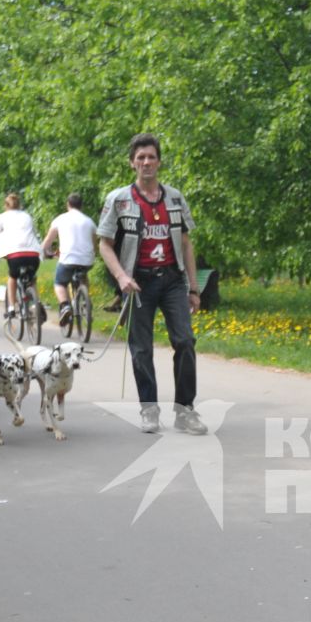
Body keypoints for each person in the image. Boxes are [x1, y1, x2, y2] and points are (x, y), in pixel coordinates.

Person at [96, 135, 207, 435]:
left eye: (151, 157)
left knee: (185, 341)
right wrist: (121, 276)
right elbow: (105, 245)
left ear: (159, 161)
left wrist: (193, 288)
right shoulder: (118, 200)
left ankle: (185, 412)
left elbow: (185, 243)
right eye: (140, 157)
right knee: (141, 349)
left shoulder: (174, 198)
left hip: (172, 280)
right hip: (137, 282)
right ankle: (149, 408)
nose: (146, 162)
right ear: (132, 162)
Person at [42, 192, 98, 328]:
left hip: (68, 259)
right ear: (81, 206)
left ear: (68, 204)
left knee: (60, 283)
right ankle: (85, 303)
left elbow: (46, 243)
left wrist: (45, 252)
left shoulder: (60, 219)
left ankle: (65, 306)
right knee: (83, 275)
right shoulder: (89, 221)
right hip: (87, 260)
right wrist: (93, 254)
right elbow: (95, 243)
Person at [0, 192, 44, 323]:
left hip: (15, 256)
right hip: (33, 255)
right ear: (19, 205)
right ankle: (36, 304)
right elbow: (36, 234)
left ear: (6, 205)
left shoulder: (2, 217)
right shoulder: (27, 216)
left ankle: (11, 307)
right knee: (32, 278)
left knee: (12, 277)